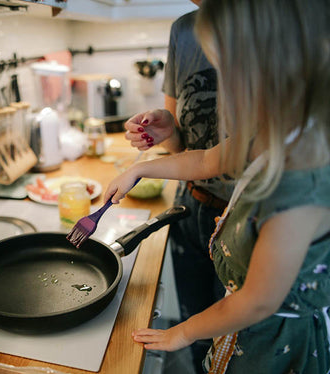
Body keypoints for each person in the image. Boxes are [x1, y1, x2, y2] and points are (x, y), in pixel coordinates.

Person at [105, 0, 330, 372]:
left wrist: (185, 332)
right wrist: (140, 169)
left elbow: (258, 301)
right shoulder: (273, 133)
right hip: (241, 328)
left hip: (274, 345)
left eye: (231, 72)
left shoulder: (301, 183)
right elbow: (206, 159)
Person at [124, 1, 229, 371]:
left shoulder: (285, 23)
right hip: (191, 206)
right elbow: (189, 150)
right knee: (198, 335)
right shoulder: (184, 30)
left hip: (247, 219)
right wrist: (165, 129)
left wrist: (143, 171)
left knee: (233, 345)